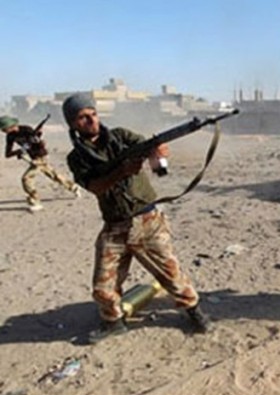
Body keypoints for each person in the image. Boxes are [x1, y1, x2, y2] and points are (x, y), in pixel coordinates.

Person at [62, 93, 209, 344]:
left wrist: (158, 155)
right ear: (72, 123)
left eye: (93, 114)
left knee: (170, 274)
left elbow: (154, 153)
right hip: (115, 226)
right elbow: (95, 187)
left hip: (147, 220)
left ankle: (194, 312)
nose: (91, 120)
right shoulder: (76, 158)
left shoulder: (121, 136)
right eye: (83, 117)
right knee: (103, 285)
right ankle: (113, 322)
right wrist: (121, 172)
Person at [1, 115, 80, 212]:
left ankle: (35, 202)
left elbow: (41, 143)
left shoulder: (26, 130)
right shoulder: (10, 136)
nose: (3, 131)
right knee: (53, 175)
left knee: (26, 178)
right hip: (33, 158)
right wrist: (20, 151)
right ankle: (73, 187)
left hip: (41, 156)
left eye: (4, 128)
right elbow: (8, 154)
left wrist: (38, 139)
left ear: (11, 126)